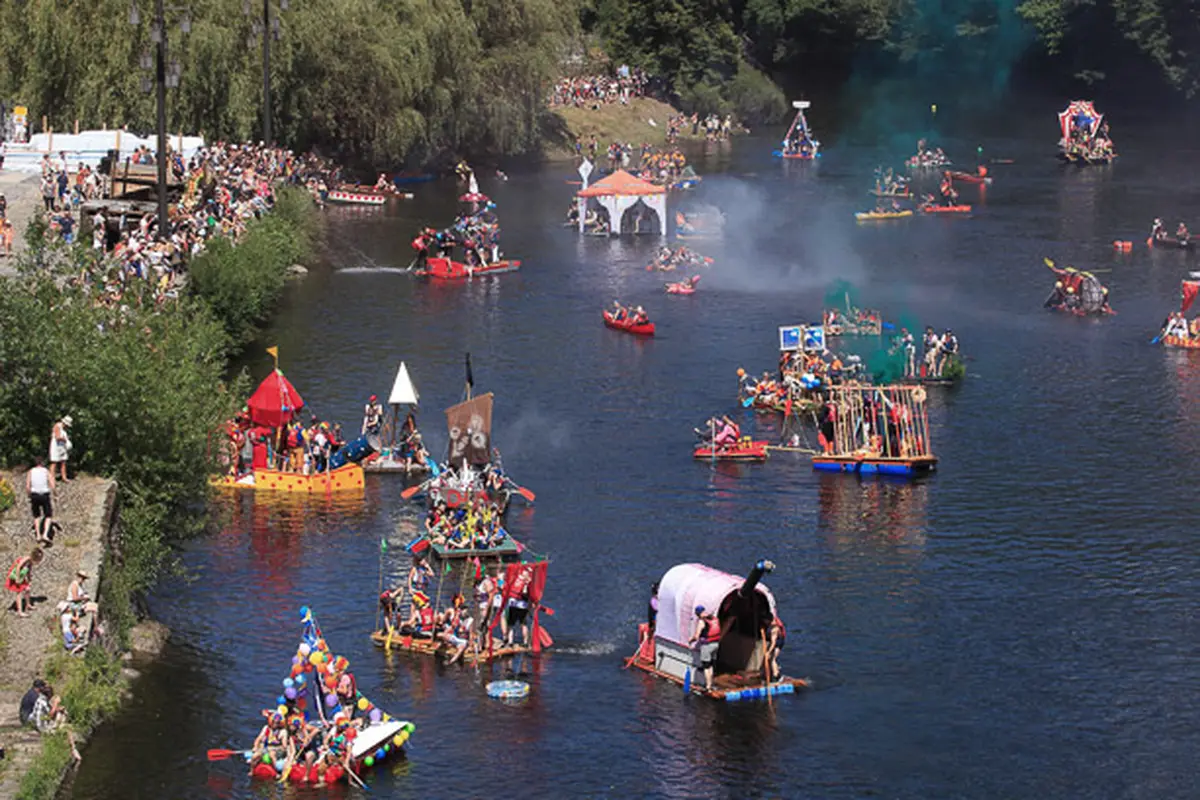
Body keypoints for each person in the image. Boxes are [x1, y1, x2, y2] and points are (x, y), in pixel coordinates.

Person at [688, 605, 723, 693]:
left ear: (697, 614)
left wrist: (690, 640)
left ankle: (708, 687)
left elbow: (696, 636)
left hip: (707, 646)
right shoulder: (713, 618)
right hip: (716, 644)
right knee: (711, 665)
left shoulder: (702, 621)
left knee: (706, 667)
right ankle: (710, 684)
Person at [6, 548, 44, 617]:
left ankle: (28, 604)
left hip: (22, 575)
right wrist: (17, 578)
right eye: (39, 560)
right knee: (19, 592)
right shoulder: (27, 559)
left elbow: (29, 570)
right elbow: (18, 567)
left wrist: (29, 578)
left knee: (27, 589)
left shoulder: (31, 562)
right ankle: (20, 611)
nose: (39, 562)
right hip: (16, 575)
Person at [49, 416, 72, 482]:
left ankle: (64, 477)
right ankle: (51, 478)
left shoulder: (64, 429)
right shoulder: (57, 426)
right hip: (56, 447)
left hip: (62, 447)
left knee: (63, 462)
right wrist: (65, 440)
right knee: (54, 462)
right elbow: (57, 437)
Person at [766, 616, 786, 681]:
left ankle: (777, 676)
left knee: (772, 659)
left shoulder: (775, 629)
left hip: (778, 643)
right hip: (776, 642)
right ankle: (776, 671)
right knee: (772, 659)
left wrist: (768, 652)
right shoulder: (770, 626)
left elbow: (773, 643)